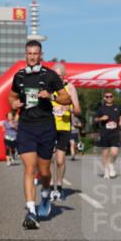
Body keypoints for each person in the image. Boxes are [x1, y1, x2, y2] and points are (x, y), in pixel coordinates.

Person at [9, 40, 72, 229]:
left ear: (40, 55)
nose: (32, 57)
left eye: (35, 54)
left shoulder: (50, 75)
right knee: (29, 168)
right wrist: (14, 104)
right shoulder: (19, 76)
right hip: (26, 127)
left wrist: (51, 96)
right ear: (25, 55)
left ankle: (45, 194)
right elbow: (12, 96)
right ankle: (31, 211)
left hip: (46, 127)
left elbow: (66, 98)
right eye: (29, 53)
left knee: (44, 171)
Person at [50, 63, 80, 201]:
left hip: (63, 127)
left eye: (60, 75)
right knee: (49, 159)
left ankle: (60, 186)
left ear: (64, 76)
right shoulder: (47, 88)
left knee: (60, 160)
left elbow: (78, 110)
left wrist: (69, 109)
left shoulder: (70, 88)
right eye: (55, 75)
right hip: (48, 127)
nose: (57, 78)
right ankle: (50, 187)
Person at [95, 91, 121, 178]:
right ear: (104, 98)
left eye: (110, 96)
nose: (109, 98)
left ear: (113, 97)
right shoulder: (101, 108)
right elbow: (95, 119)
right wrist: (101, 118)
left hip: (115, 133)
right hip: (104, 133)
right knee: (105, 153)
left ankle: (111, 164)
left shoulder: (117, 107)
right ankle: (106, 170)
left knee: (115, 152)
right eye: (107, 97)